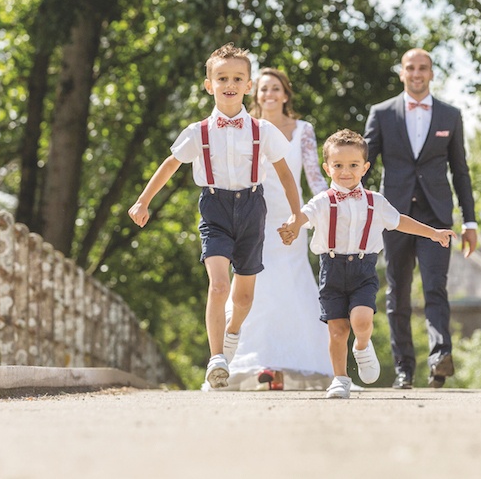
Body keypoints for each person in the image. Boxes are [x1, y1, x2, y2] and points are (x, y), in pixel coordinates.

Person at [128, 43, 302, 390]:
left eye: (237, 78)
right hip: (215, 208)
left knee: (244, 298)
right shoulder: (198, 132)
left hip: (253, 208)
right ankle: (217, 359)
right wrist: (143, 201)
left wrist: (297, 216)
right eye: (222, 77)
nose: (229, 83)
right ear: (209, 84)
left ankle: (233, 330)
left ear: (248, 85)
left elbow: (284, 173)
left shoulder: (263, 131)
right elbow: (171, 164)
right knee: (220, 284)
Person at [279, 129, 455, 398]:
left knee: (361, 320)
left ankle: (361, 346)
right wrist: (292, 226)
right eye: (338, 165)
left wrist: (433, 232)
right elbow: (304, 215)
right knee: (337, 329)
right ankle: (340, 378)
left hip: (363, 269)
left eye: (352, 165)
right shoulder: (323, 201)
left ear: (365, 167)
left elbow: (400, 221)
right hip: (332, 270)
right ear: (327, 168)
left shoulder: (376, 202)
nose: (345, 171)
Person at [363, 48, 478, 390]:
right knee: (397, 290)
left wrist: (469, 222)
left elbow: (461, 171)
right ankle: (404, 368)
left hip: (436, 216)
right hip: (394, 214)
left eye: (422, 68)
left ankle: (440, 358)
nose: (416, 73)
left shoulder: (450, 115)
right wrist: (357, 210)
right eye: (410, 68)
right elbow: (363, 164)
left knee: (434, 287)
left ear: (431, 73)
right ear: (401, 73)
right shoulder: (381, 113)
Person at [221, 68, 333, 390]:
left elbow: (313, 174)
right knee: (258, 288)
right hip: (254, 217)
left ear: (285, 95)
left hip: (290, 220)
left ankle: (285, 364)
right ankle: (264, 362)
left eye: (275, 89)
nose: (269, 95)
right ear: (256, 95)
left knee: (291, 289)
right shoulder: (246, 127)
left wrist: (322, 208)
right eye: (263, 89)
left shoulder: (303, 130)